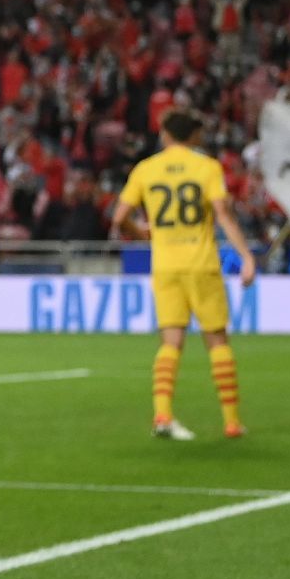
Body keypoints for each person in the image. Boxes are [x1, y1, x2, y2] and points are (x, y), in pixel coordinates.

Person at [111, 109, 257, 440]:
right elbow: (223, 214)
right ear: (193, 136)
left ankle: (162, 415)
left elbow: (119, 218)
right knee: (217, 339)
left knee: (171, 341)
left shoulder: (146, 169)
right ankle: (232, 421)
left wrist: (142, 233)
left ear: (164, 135)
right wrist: (246, 257)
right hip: (201, 263)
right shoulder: (206, 167)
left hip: (165, 266)